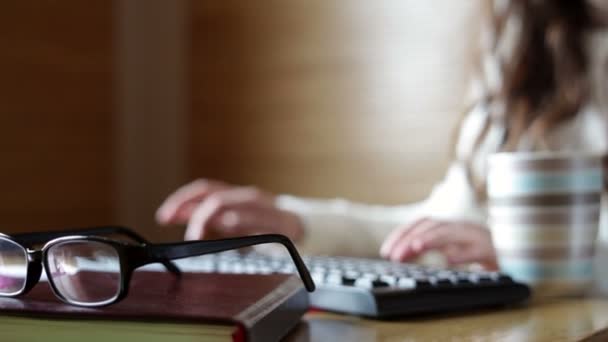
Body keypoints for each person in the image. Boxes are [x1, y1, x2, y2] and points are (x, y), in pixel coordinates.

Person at [156, 1, 608, 275]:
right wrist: (296, 225)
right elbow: (436, 229)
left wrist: (529, 257)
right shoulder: (531, 46)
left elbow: (500, 249)